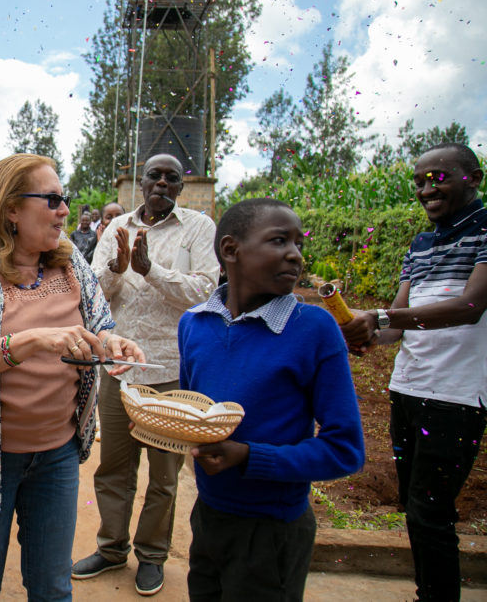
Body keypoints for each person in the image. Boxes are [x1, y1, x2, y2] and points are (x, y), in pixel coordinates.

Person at [0, 153, 145, 601]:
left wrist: (113, 343)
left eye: (63, 199)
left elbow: (99, 325)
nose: (64, 210)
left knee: (51, 588)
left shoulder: (71, 266)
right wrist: (33, 340)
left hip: (57, 457)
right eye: (51, 199)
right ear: (10, 209)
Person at [179, 197, 365, 600]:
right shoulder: (194, 324)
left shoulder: (313, 330)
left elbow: (345, 449)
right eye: (279, 241)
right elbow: (194, 415)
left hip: (273, 529)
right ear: (231, 250)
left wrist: (248, 457)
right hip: (208, 517)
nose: (295, 255)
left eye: (299, 243)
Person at [341, 143, 487, 602]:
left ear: (474, 177)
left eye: (439, 177)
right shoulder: (421, 243)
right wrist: (360, 334)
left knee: (431, 511)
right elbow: (400, 322)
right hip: (408, 388)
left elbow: (469, 307)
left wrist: (381, 317)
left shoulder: (485, 231)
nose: (426, 189)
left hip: (457, 396)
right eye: (420, 182)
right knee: (416, 506)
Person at [73, 154, 218, 595]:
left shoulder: (198, 228)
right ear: (141, 183)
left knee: (164, 475)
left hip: (171, 369)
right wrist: (118, 269)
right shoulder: (116, 230)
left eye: (171, 178)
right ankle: (112, 547)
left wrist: (150, 270)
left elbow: (205, 291)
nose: (161, 182)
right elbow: (91, 291)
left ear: (181, 187)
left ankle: (152, 556)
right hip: (119, 369)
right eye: (153, 175)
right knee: (114, 467)